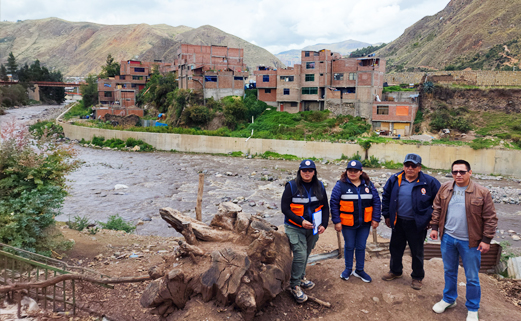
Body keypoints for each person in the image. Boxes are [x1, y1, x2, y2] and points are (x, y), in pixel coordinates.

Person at [430, 160, 497, 321]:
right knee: (449, 271)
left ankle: (473, 308)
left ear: (470, 172)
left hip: (471, 242)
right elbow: (437, 208)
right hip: (448, 238)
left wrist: (486, 239)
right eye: (455, 172)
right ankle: (449, 299)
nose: (458, 175)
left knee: (472, 276)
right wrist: (434, 227)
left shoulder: (482, 192)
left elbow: (490, 218)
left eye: (462, 171)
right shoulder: (446, 188)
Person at [381, 153, 440, 290]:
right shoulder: (395, 179)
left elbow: (439, 202)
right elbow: (386, 196)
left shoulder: (429, 182)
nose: (410, 168)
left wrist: (432, 220)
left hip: (417, 224)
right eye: (407, 165)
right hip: (398, 221)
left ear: (419, 168)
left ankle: (417, 277)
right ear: (404, 166)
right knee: (395, 248)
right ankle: (395, 271)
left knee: (417, 251)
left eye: (414, 166)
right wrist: (387, 215)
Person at [281, 159, 329, 303]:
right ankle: (294, 285)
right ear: (300, 171)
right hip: (295, 227)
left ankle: (301, 277)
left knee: (307, 252)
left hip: (313, 227)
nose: (307, 173)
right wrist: (300, 221)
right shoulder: (291, 186)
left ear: (314, 172)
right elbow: (285, 208)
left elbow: (325, 207)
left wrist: (324, 224)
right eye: (304, 170)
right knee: (300, 254)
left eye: (310, 171)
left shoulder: (319, 186)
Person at [330, 160, 381, 283]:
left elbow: (376, 202)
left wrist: (376, 219)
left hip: (364, 223)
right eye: (350, 171)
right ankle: (348, 269)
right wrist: (337, 221)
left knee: (361, 246)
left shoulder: (369, 185)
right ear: (346, 171)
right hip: (347, 224)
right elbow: (334, 204)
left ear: (360, 172)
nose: (352, 173)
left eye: (355, 171)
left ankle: (359, 270)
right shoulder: (340, 185)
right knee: (349, 246)